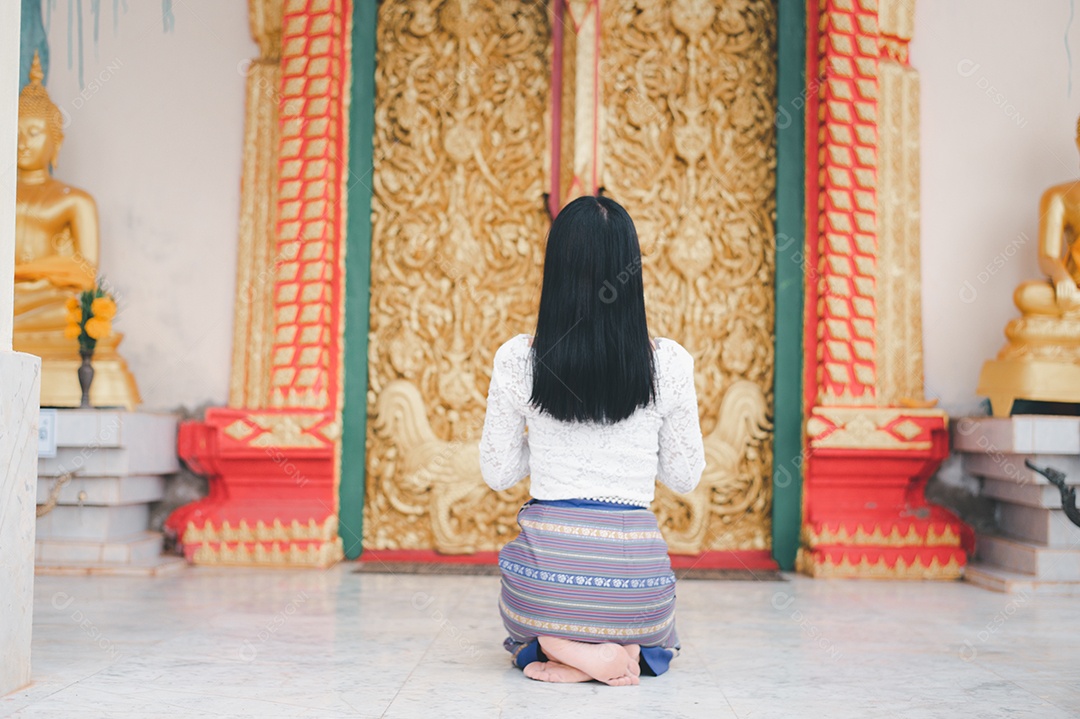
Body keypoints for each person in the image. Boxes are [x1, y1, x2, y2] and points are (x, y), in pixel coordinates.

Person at [479, 195, 706, 686]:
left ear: (555, 270)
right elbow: (684, 477)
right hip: (638, 589)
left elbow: (498, 473)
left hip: (545, 584)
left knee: (522, 621)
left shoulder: (518, 359)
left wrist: (546, 446)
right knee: (662, 637)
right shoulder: (669, 363)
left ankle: (558, 647)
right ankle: (624, 647)